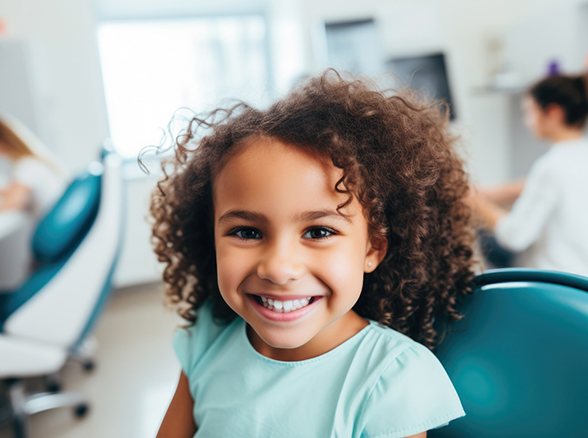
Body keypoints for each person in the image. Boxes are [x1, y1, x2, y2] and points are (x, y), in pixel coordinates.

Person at [151, 71, 476, 437]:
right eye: (246, 232)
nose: (278, 268)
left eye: (319, 232)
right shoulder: (209, 335)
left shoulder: (391, 376)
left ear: (373, 248)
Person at [470, 72, 588, 276]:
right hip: (581, 279)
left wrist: (474, 202)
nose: (527, 122)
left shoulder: (551, 166)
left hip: (554, 282)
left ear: (553, 113)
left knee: (481, 243)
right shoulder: (578, 155)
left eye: (529, 113)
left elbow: (515, 236)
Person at [0, 115, 65, 218]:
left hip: (50, 228)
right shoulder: (32, 162)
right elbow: (14, 190)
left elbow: (14, 203)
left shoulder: (27, 166)